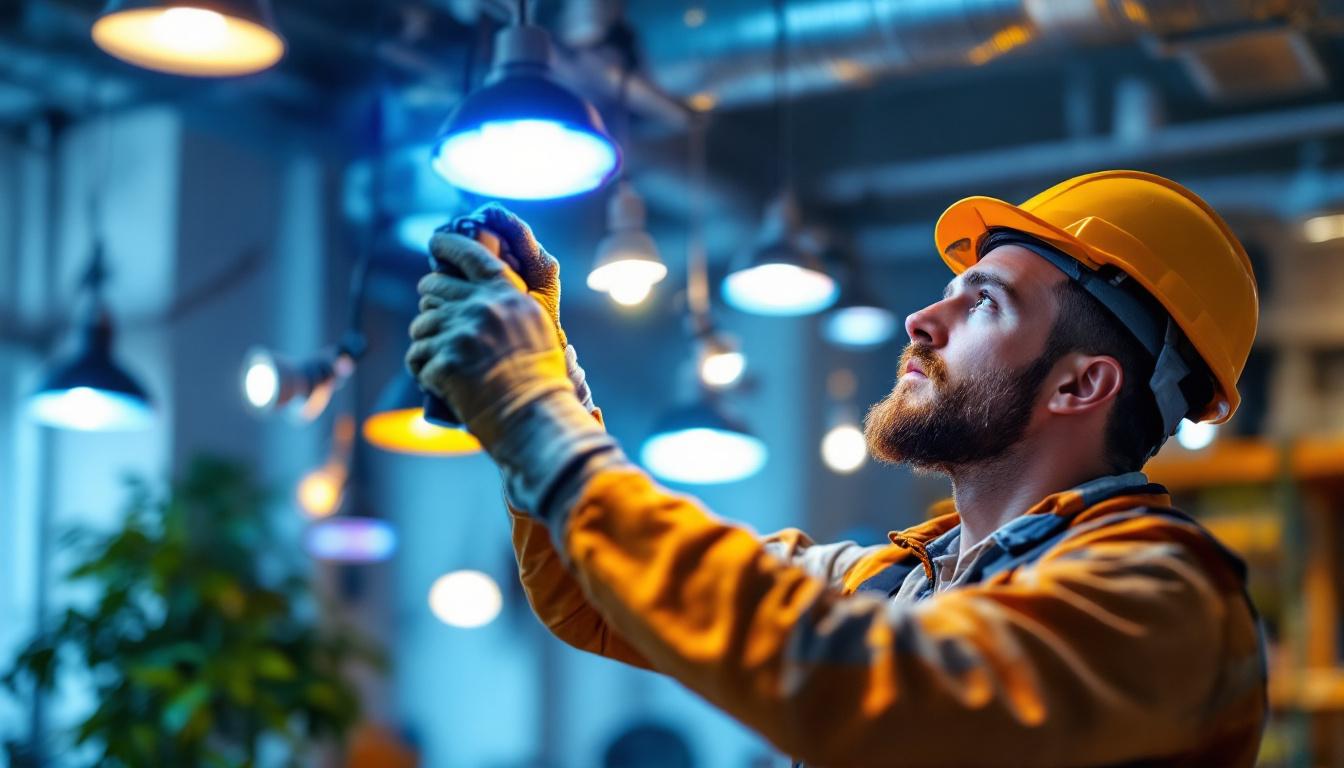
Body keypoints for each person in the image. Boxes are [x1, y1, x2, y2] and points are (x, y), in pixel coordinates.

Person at [406, 171, 1267, 767]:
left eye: (985, 302)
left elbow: (877, 686)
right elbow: (597, 592)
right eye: (950, 290)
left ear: (1083, 382)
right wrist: (548, 380)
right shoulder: (897, 582)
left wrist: (538, 417)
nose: (924, 318)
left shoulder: (1160, 600)